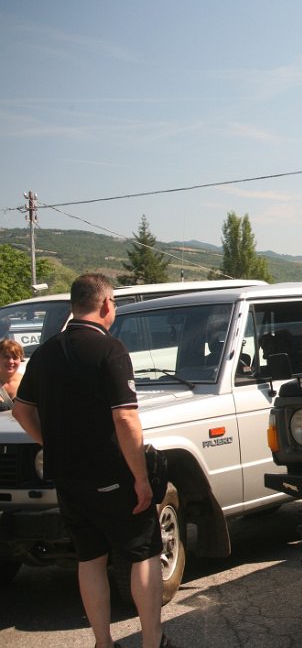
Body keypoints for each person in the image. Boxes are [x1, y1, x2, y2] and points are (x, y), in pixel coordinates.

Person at [11, 274, 175, 648]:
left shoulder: (47, 351)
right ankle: (152, 641)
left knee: (90, 558)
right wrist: (141, 477)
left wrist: (52, 443)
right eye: (113, 303)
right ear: (105, 305)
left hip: (67, 476)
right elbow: (125, 418)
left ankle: (103, 642)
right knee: (143, 552)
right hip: (112, 472)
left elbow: (21, 409)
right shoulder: (109, 349)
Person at [0, 338, 24, 410]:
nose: (11, 361)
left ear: (20, 359)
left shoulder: (27, 382)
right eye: (6, 357)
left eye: (15, 357)